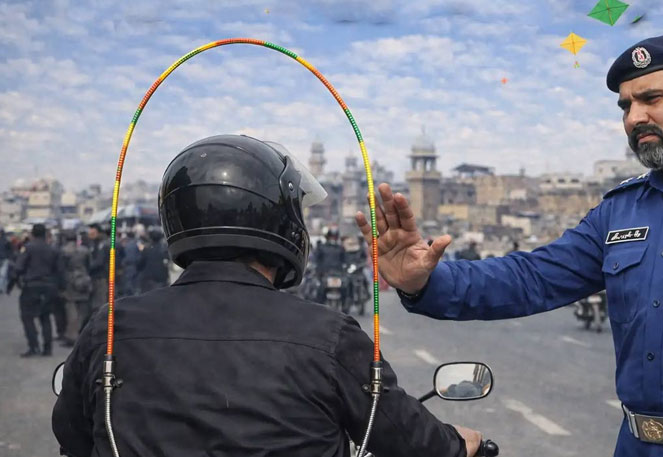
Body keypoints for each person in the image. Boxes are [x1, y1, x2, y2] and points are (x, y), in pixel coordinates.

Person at [356, 35, 663, 456]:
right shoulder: (622, 208)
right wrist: (427, 280)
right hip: (637, 442)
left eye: (652, 98)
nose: (636, 116)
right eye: (626, 106)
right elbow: (533, 277)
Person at [53, 134, 481, 457]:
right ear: (283, 223)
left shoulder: (109, 328)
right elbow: (406, 437)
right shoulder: (328, 336)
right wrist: (462, 444)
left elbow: (72, 436)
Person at [14, 223, 63, 357]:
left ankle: (33, 346)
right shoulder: (54, 249)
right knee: (45, 317)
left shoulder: (28, 248)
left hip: (31, 286)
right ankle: (47, 349)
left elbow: (18, 267)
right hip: (48, 287)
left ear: (32, 234)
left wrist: (15, 281)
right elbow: (59, 271)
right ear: (46, 234)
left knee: (27, 317)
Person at [61, 230, 92, 341]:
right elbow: (90, 265)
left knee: (71, 309)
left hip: (70, 281)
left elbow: (62, 268)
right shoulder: (85, 250)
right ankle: (79, 330)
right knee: (83, 308)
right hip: (84, 279)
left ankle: (72, 334)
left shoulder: (63, 251)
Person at [136, 228, 170, 293]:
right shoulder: (164, 249)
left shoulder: (147, 249)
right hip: (162, 278)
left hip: (149, 278)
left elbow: (141, 263)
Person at [86, 223, 109, 313]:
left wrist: (87, 267)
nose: (90, 235)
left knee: (100, 303)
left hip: (100, 277)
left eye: (93, 233)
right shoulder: (93, 244)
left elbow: (99, 261)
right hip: (94, 276)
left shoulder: (103, 245)